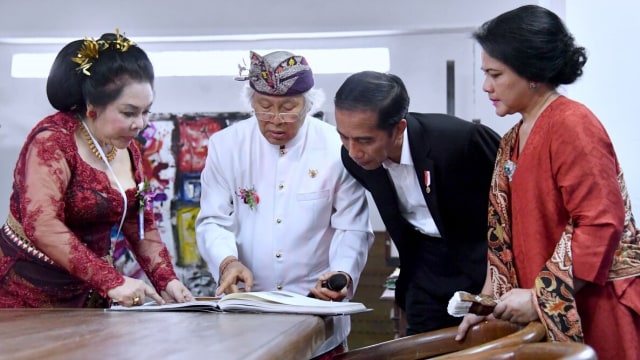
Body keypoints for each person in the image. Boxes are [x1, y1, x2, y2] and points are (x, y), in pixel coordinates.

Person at [454, 5, 640, 359]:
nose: (486, 86)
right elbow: (503, 247)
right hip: (546, 309)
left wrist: (542, 296)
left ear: (533, 73)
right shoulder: (512, 139)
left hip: (594, 309)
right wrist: (486, 307)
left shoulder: (572, 124)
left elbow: (601, 222)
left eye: (495, 74)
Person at [195, 50, 374, 359]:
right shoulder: (226, 146)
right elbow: (213, 219)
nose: (275, 119)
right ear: (251, 103)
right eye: (265, 107)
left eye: (288, 108)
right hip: (248, 310)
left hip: (317, 312)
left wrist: (341, 274)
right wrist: (227, 261)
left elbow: (352, 228)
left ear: (308, 105)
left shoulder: (336, 147)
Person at [0, 30, 193, 308]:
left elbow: (140, 223)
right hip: (26, 295)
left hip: (90, 294)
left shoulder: (128, 150)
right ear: (92, 107)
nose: (141, 124)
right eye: (129, 113)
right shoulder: (53, 141)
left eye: (146, 111)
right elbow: (41, 224)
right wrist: (111, 280)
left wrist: (167, 280)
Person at [334, 71, 501, 335]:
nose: (353, 151)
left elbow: (516, 202)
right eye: (344, 136)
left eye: (365, 140)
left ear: (399, 128)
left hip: (483, 261)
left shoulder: (459, 141)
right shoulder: (356, 160)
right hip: (425, 266)